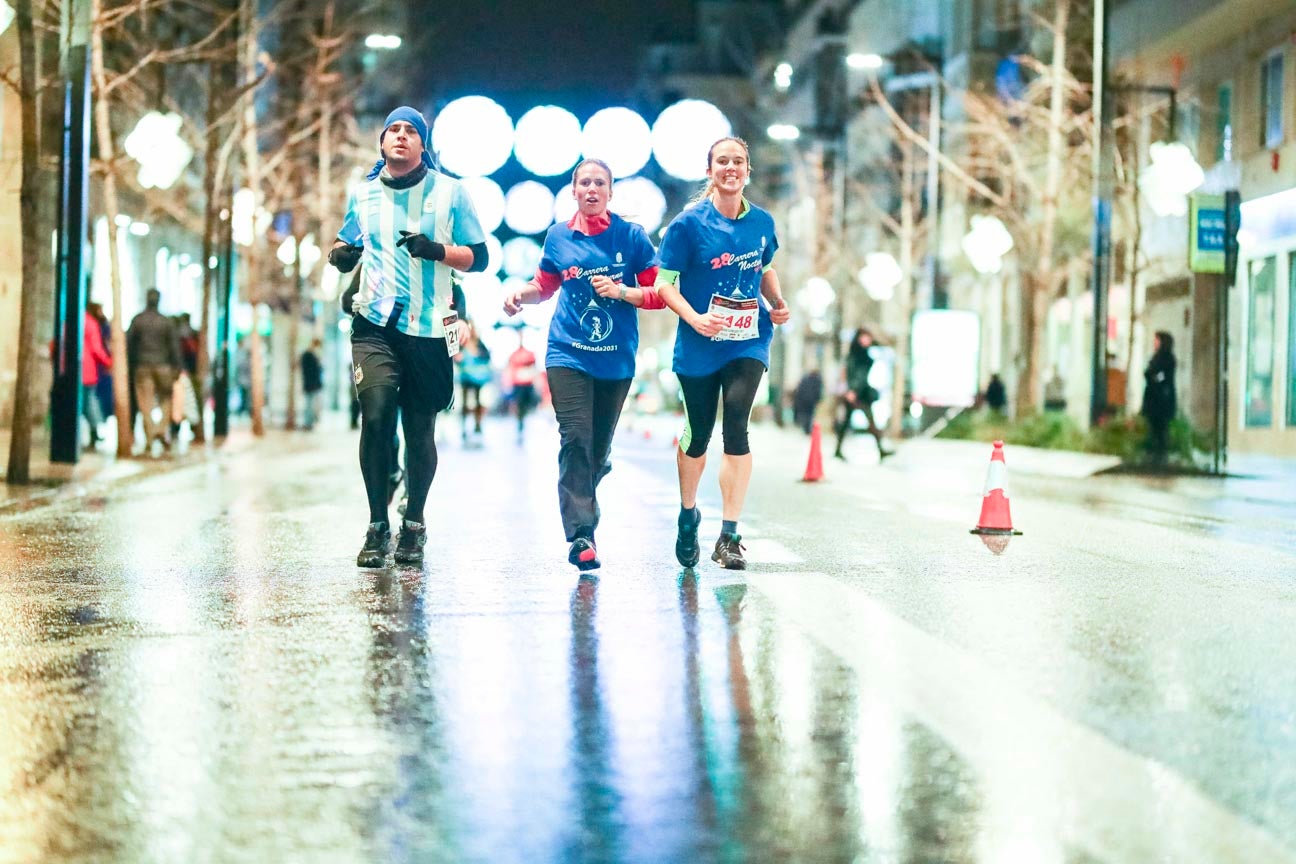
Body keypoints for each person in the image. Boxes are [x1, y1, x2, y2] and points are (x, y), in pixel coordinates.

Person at [329, 105, 487, 568]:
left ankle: (413, 522)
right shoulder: (362, 195)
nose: (400, 136)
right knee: (375, 416)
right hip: (373, 325)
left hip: (428, 327)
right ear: (382, 143)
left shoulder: (451, 193)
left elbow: (480, 257)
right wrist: (342, 256)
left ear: (423, 144)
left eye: (410, 131)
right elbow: (345, 242)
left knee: (419, 431)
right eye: (392, 130)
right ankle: (378, 525)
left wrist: (435, 250)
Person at [502, 157, 663, 571]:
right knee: (574, 437)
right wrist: (522, 295)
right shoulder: (558, 237)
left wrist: (621, 291)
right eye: (584, 183)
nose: (591, 189)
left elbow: (658, 294)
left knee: (597, 450)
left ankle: (587, 489)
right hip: (566, 351)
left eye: (600, 183)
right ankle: (581, 536)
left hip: (616, 358)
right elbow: (545, 285)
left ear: (610, 192)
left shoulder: (632, 238)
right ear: (573, 191)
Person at [655, 137, 791, 571]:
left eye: (738, 162)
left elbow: (764, 267)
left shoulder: (763, 222)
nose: (730, 168)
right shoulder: (687, 225)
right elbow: (664, 283)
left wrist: (777, 302)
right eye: (722, 161)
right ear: (710, 170)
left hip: (748, 337)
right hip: (698, 343)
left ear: (748, 171)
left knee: (736, 419)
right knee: (698, 434)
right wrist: (694, 319)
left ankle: (729, 535)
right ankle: (689, 514)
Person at [127, 288, 181, 453]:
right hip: (163, 366)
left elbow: (129, 345)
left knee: (145, 403)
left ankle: (150, 435)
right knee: (166, 400)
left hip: (143, 366)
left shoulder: (138, 320)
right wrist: (177, 367)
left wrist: (131, 366)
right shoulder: (166, 322)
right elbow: (174, 347)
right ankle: (159, 429)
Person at [833, 328, 892, 461]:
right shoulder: (854, 355)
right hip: (855, 393)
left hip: (862, 392)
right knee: (848, 423)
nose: (867, 340)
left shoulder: (865, 354)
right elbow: (853, 374)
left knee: (869, 422)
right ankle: (838, 450)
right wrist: (851, 390)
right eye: (865, 337)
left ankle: (880, 450)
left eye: (868, 337)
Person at [1140, 330, 1177, 466]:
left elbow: (1161, 376)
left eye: (1157, 340)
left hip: (1161, 400)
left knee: (1160, 428)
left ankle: (1160, 456)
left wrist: (1154, 378)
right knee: (1154, 428)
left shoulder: (1167, 358)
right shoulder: (1156, 357)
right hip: (1155, 399)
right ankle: (1155, 455)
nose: (1154, 343)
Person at [81, 305, 113, 450]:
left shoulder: (74, 321)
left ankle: (92, 432)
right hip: (88, 370)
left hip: (74, 369)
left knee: (84, 404)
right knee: (90, 403)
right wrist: (108, 361)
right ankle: (95, 431)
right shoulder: (91, 324)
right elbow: (96, 348)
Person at [457, 328, 492, 443]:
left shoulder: (478, 343)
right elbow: (455, 356)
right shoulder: (462, 340)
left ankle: (477, 425)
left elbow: (487, 356)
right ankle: (464, 426)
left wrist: (477, 353)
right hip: (466, 376)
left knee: (477, 401)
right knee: (465, 402)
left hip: (477, 377)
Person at [505, 330, 538, 439]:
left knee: (526, 404)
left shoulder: (530, 354)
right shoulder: (513, 355)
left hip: (527, 383)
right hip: (517, 384)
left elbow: (533, 367)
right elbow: (510, 368)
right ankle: (520, 421)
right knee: (519, 404)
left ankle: (522, 419)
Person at [300, 338, 324, 430]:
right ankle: (308, 423)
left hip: (311, 384)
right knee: (309, 405)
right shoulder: (309, 356)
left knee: (310, 404)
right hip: (311, 385)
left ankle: (309, 423)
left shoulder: (310, 355)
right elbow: (312, 371)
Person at [792, 368, 823, 435]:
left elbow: (800, 389)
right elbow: (818, 391)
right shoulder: (817, 380)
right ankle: (807, 429)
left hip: (805, 400)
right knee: (809, 415)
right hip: (811, 401)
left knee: (806, 414)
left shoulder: (805, 379)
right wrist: (818, 399)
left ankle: (806, 428)